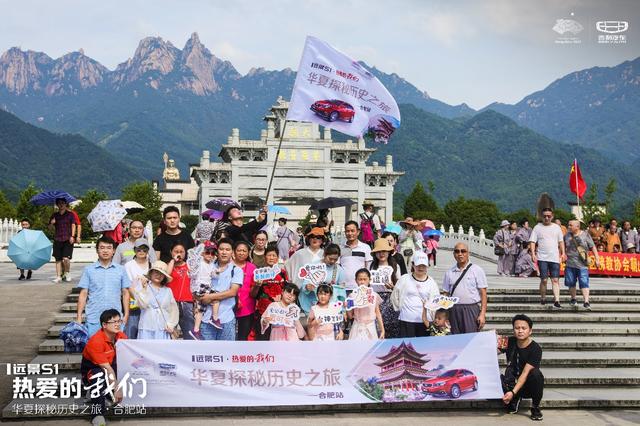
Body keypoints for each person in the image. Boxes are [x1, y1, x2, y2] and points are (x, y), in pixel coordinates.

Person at [80, 309, 126, 426]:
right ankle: (98, 415)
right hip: (93, 370)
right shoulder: (95, 341)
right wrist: (117, 388)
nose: (117, 324)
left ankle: (107, 396)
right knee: (99, 376)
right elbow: (107, 369)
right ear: (104, 325)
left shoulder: (121, 336)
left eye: (119, 321)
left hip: (110, 367)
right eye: (113, 322)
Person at [195, 238, 243, 340]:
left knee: (226, 353)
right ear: (217, 251)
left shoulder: (236, 270)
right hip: (206, 318)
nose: (224, 252)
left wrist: (210, 297)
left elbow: (232, 292)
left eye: (227, 249)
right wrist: (198, 298)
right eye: (221, 249)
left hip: (226, 319)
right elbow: (196, 286)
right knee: (207, 353)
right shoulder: (208, 266)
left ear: (232, 252)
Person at [499, 314, 544, 421]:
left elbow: (524, 374)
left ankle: (535, 407)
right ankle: (515, 399)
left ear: (530, 331)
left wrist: (513, 392)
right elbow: (492, 352)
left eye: (524, 328)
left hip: (527, 385)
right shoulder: (509, 341)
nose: (520, 331)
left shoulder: (536, 349)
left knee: (536, 374)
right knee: (494, 374)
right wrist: (492, 339)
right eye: (517, 328)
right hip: (510, 381)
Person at [442, 242, 488, 334]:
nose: (460, 254)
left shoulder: (477, 270)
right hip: (454, 310)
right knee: (455, 338)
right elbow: (446, 294)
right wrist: (444, 315)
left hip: (471, 309)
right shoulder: (449, 272)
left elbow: (483, 293)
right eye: (457, 251)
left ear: (468, 253)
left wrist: (482, 314)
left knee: (471, 338)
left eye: (463, 251)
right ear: (454, 254)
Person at [391, 251, 440, 338]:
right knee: (407, 346)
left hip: (425, 321)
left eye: (423, 265)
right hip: (406, 319)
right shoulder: (404, 279)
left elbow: (436, 301)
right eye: (418, 265)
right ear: (413, 265)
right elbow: (395, 297)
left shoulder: (432, 282)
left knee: (423, 347)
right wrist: (400, 310)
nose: (421, 268)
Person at [130, 260, 179, 339]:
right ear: (151, 273)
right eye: (156, 272)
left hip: (163, 328)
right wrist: (143, 288)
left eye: (161, 274)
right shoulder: (144, 287)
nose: (158, 275)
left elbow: (173, 310)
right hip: (146, 326)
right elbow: (142, 305)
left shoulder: (168, 291)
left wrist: (171, 324)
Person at [529, 208, 566, 309]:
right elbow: (532, 241)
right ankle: (543, 297)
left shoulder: (556, 228)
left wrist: (563, 253)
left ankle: (557, 300)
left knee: (555, 280)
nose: (546, 218)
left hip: (554, 257)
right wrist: (533, 253)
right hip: (542, 257)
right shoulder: (537, 227)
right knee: (544, 279)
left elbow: (561, 241)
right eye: (545, 216)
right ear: (542, 216)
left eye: (549, 216)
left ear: (552, 217)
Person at [251, 244, 289, 340]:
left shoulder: (283, 273)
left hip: (279, 313)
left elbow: (288, 292)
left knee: (279, 340)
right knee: (263, 339)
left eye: (274, 255)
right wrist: (257, 285)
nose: (271, 258)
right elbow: (252, 295)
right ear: (265, 257)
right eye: (269, 255)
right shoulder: (259, 273)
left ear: (277, 258)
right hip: (263, 312)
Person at [299, 243, 347, 314]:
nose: (333, 261)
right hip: (314, 303)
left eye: (335, 259)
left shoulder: (339, 270)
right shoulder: (314, 266)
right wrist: (307, 287)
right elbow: (305, 284)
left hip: (331, 306)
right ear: (324, 254)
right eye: (330, 258)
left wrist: (343, 310)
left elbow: (341, 291)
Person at [564, 220, 601, 311]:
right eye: (569, 225)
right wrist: (562, 254)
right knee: (571, 282)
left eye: (571, 225)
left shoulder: (585, 235)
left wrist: (597, 258)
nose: (568, 227)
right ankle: (573, 299)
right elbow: (562, 246)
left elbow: (592, 247)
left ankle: (586, 301)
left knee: (584, 282)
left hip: (582, 264)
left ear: (577, 227)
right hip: (570, 263)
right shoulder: (566, 235)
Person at [369, 237, 402, 338]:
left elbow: (400, 286)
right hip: (376, 299)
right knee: (377, 327)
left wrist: (393, 287)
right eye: (378, 251)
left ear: (389, 252)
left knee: (392, 327)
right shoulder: (371, 266)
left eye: (384, 251)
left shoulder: (395, 266)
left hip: (391, 299)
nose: (381, 254)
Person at [189, 242, 221, 340]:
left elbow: (213, 275)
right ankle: (214, 318)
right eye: (208, 252)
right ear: (203, 253)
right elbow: (193, 274)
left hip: (206, 286)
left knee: (200, 310)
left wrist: (217, 272)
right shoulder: (199, 263)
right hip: (200, 286)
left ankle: (196, 330)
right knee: (216, 298)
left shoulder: (211, 264)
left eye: (213, 253)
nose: (210, 255)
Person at [122, 239, 152, 338]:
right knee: (131, 330)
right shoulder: (128, 265)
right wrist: (137, 298)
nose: (142, 252)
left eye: (144, 249)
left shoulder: (152, 264)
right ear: (135, 250)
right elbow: (127, 285)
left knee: (146, 332)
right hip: (133, 302)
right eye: (139, 249)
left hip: (149, 304)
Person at [165, 243, 195, 340]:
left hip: (187, 303)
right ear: (171, 252)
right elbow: (166, 275)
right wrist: (173, 260)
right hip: (171, 303)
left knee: (189, 332)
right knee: (170, 333)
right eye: (176, 251)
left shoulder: (190, 266)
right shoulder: (168, 266)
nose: (179, 254)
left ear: (185, 253)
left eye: (181, 252)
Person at [347, 269, 385, 340]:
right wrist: (347, 307)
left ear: (369, 280)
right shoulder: (352, 296)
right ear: (356, 280)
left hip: (370, 327)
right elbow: (350, 316)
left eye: (365, 279)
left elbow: (378, 313)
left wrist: (382, 330)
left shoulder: (374, 295)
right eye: (360, 279)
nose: (362, 282)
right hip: (357, 326)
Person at [339, 221, 373, 293]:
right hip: (343, 287)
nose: (350, 233)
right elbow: (337, 267)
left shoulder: (365, 247)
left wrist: (368, 284)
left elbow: (369, 268)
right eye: (347, 231)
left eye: (352, 231)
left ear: (358, 232)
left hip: (361, 287)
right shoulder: (340, 248)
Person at [50, 197, 77, 283]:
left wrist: (73, 236)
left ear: (66, 204)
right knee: (58, 259)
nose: (61, 205)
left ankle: (67, 272)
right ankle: (58, 276)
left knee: (66, 258)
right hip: (57, 238)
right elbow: (50, 228)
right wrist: (52, 223)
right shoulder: (54, 215)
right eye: (59, 203)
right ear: (57, 205)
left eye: (63, 203)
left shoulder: (70, 214)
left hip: (67, 239)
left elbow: (73, 225)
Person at [234, 240, 257, 341]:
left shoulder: (252, 268)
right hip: (229, 309)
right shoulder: (228, 266)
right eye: (239, 250)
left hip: (247, 308)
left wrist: (257, 286)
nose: (241, 253)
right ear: (234, 252)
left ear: (248, 253)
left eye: (244, 251)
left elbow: (253, 293)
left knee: (243, 338)